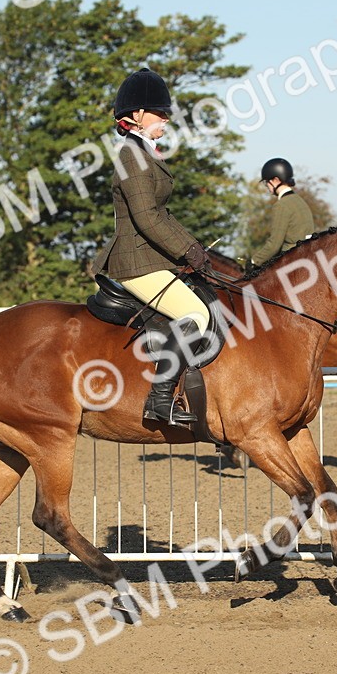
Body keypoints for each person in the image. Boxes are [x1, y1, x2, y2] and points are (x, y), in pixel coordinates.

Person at [90, 68, 211, 427]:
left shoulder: (144, 153)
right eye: (160, 113)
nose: (166, 119)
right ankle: (159, 400)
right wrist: (188, 251)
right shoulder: (130, 156)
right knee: (197, 316)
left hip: (151, 259)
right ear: (136, 115)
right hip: (134, 263)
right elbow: (145, 218)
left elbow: (162, 214)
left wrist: (197, 249)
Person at [247, 157, 316, 267]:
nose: (267, 187)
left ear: (275, 180)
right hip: (307, 259)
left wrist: (254, 261)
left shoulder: (282, 205)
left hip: (290, 262)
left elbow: (274, 245)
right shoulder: (300, 201)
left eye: (267, 182)